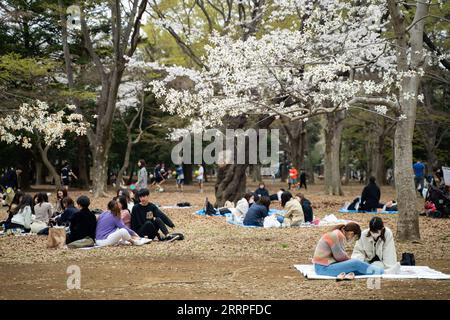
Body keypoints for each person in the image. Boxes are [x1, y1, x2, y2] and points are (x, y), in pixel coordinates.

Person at [312, 222, 400, 279]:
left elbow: (339, 256)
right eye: (354, 237)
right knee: (355, 263)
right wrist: (351, 261)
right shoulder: (337, 235)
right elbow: (339, 257)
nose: (352, 239)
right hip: (323, 268)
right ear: (351, 233)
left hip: (324, 266)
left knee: (357, 268)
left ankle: (377, 271)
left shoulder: (337, 233)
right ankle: (384, 272)